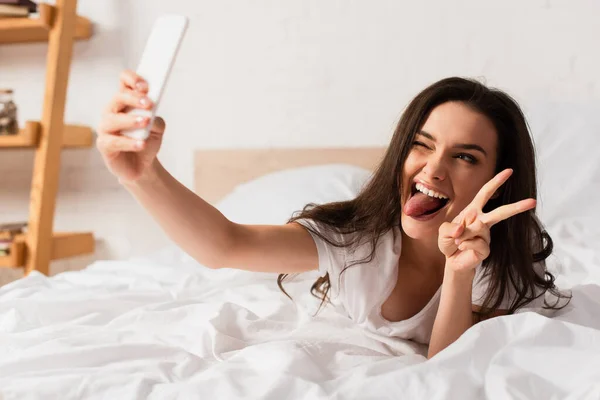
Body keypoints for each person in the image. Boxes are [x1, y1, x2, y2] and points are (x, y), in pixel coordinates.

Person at [97, 73, 569, 359]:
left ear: (499, 181)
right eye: (422, 145)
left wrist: (460, 271)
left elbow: (450, 368)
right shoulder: (356, 242)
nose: (434, 168)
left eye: (465, 157)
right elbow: (226, 246)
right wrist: (142, 175)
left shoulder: (509, 253)